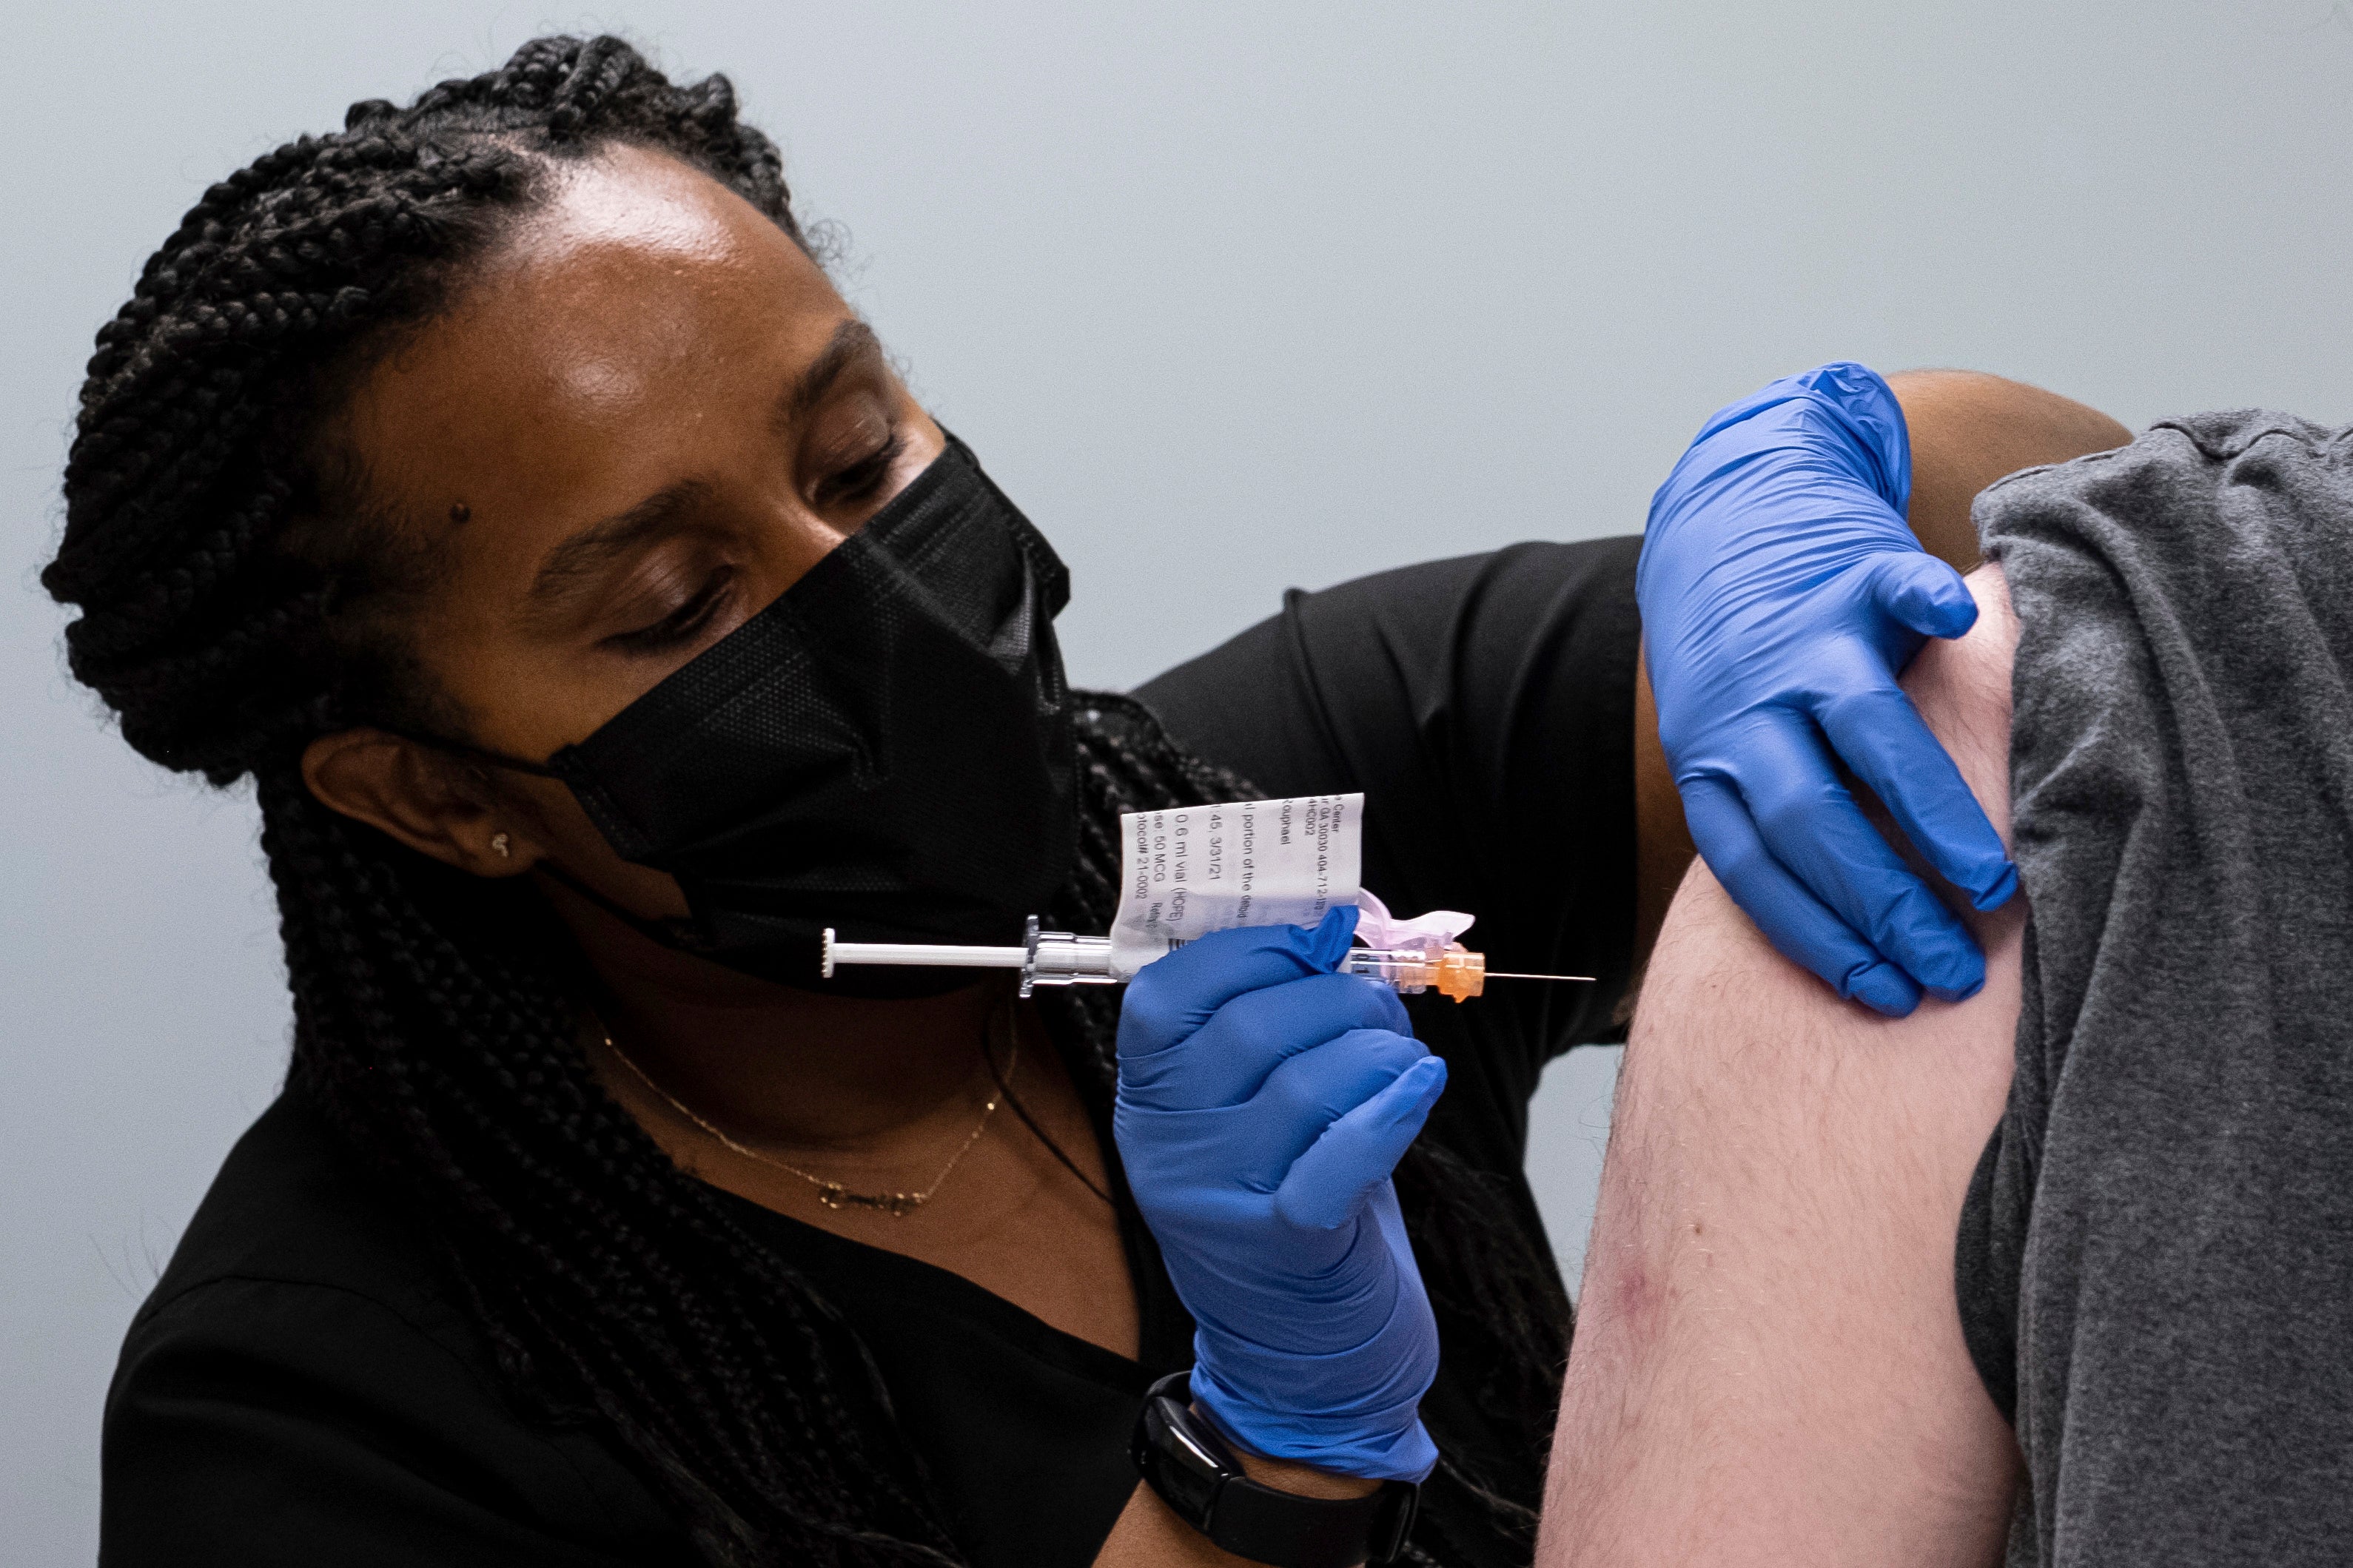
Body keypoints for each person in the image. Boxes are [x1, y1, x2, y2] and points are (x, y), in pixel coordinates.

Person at [47, 36, 2121, 1568]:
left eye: (859, 459)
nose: (868, 602)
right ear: (430, 792)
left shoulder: (1279, 802)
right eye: (677, 605)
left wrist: (1806, 476)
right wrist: (1263, 1456)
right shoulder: (318, 1417)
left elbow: (2106, 554)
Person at [1538, 385, 2353, 1566]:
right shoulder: (2034, 706)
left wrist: (1844, 427)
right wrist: (1268, 1476)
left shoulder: (2047, 693)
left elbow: (2054, 475)